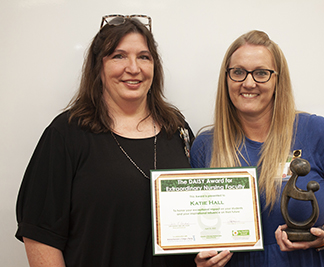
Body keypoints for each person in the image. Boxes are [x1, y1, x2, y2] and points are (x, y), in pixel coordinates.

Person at [15, 14, 196, 267]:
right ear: (98, 67)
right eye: (119, 56)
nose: (133, 68)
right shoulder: (66, 134)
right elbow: (40, 235)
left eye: (144, 56)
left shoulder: (177, 130)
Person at [191, 30, 324, 267]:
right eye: (238, 72)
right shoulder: (205, 146)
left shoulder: (318, 133)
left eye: (261, 73)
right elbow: (199, 227)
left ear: (277, 79)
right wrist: (203, 260)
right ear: (227, 78)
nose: (249, 82)